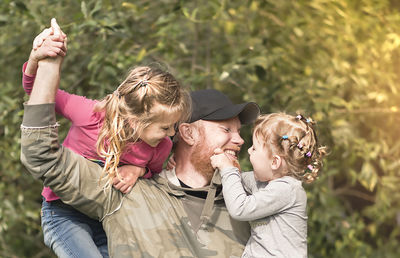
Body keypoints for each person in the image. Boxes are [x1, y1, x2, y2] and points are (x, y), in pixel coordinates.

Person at [21, 19, 261, 257]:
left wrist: (138, 169)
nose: (240, 140)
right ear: (187, 132)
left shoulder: (249, 202)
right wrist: (42, 63)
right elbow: (42, 152)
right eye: (226, 130)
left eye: (239, 131)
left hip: (100, 221)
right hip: (62, 210)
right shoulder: (132, 192)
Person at [23, 19, 191, 257]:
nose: (172, 134)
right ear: (135, 121)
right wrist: (35, 60)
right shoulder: (91, 115)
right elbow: (35, 90)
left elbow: (153, 174)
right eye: (165, 128)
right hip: (64, 213)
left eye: (173, 126)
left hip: (107, 218)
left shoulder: (160, 146)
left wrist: (138, 171)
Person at [210, 113, 327, 257]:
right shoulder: (263, 181)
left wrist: (227, 168)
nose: (248, 150)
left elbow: (239, 208)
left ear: (274, 162)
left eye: (254, 148)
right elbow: (234, 180)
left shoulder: (287, 190)